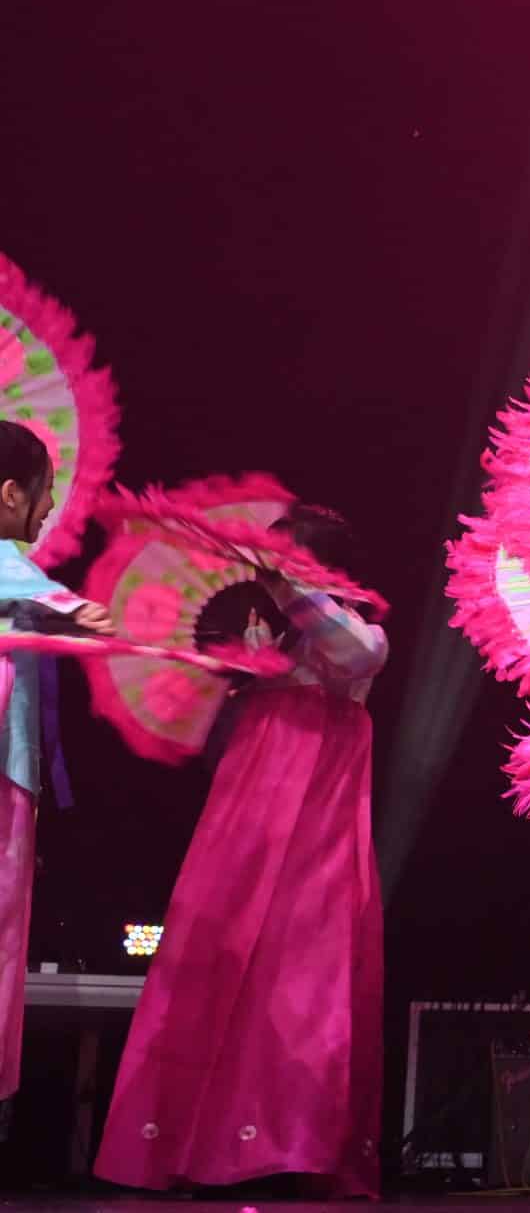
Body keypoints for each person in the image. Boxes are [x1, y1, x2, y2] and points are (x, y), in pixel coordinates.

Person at [95, 502, 388, 1197]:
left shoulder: (361, 633)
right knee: (219, 951)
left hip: (317, 817)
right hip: (250, 809)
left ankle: (292, 1144)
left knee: (304, 967)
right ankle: (197, 1143)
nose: (266, 568)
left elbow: (353, 654)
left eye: (284, 556)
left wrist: (290, 586)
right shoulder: (267, 639)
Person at [0, 424, 105, 1122]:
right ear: (11, 493)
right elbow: (21, 580)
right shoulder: (10, 568)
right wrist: (79, 610)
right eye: (43, 495)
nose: (47, 511)